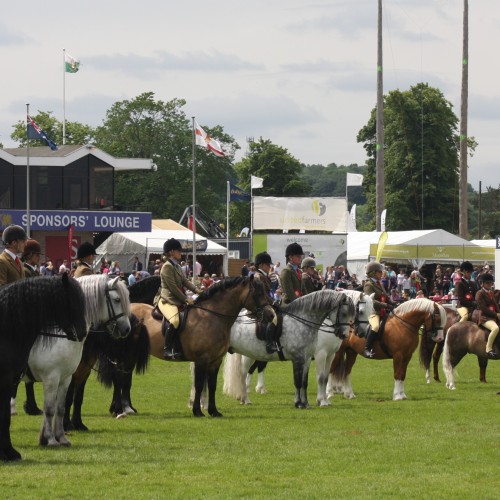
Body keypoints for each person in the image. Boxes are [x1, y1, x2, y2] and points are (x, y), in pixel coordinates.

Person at [154, 238, 201, 360]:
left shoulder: (178, 266)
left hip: (178, 298)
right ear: (171, 252)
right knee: (175, 321)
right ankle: (167, 349)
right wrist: (186, 299)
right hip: (167, 299)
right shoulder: (166, 267)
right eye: (178, 250)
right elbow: (173, 288)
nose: (181, 252)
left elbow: (185, 282)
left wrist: (197, 291)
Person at [363, 261, 397, 358]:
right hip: (372, 311)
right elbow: (370, 301)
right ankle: (367, 349)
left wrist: (393, 303)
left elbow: (385, 296)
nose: (382, 274)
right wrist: (385, 305)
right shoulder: (368, 285)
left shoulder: (379, 283)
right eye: (380, 272)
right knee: (375, 326)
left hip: (383, 311)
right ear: (373, 273)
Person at [253, 251, 278, 353]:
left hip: (267, 302)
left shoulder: (264, 275)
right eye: (268, 264)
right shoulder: (258, 276)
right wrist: (273, 302)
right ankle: (269, 344)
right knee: (273, 318)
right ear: (261, 265)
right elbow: (263, 294)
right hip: (261, 305)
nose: (269, 267)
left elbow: (270, 292)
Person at [474, 273, 500, 358]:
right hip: (485, 317)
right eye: (487, 283)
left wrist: (499, 313)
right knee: (495, 328)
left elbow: (495, 305)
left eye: (491, 283)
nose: (489, 284)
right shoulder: (479, 293)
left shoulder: (491, 293)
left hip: (493, 316)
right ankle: (488, 349)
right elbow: (483, 308)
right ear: (482, 283)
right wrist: (496, 314)